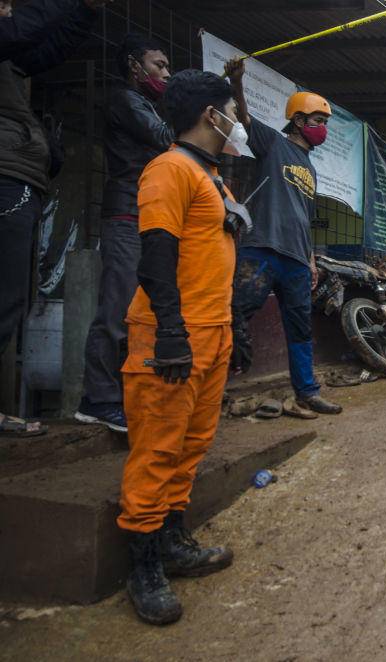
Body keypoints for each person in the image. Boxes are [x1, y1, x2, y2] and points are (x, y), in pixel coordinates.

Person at [118, 69, 242, 625]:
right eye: (232, 109)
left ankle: (172, 542)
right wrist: (170, 330)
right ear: (211, 115)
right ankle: (141, 569)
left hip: (212, 331)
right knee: (158, 450)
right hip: (174, 335)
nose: (238, 119)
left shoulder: (211, 175)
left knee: (191, 446)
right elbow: (155, 256)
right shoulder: (168, 170)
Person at [0, 0, 105, 438]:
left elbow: (44, 52)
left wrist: (84, 13)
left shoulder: (10, 61)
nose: (9, 10)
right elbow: (21, 32)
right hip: (8, 176)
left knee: (8, 301)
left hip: (16, 174)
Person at [225, 57, 341, 415]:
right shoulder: (273, 144)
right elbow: (243, 117)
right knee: (232, 313)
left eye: (324, 123)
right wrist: (237, 83)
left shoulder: (310, 167)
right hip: (261, 248)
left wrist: (310, 260)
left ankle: (307, 391)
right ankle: (208, 386)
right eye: (317, 122)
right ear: (298, 121)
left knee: (299, 327)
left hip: (295, 258)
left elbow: (304, 217)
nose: (322, 128)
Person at [75, 34, 173, 433]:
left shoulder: (146, 105)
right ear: (134, 66)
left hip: (146, 215)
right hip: (126, 215)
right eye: (158, 65)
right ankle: (98, 400)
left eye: (167, 67)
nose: (166, 73)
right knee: (116, 310)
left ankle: (125, 395)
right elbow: (166, 139)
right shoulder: (126, 100)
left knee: (140, 312)